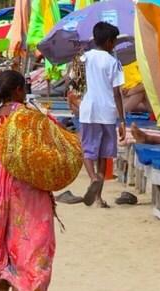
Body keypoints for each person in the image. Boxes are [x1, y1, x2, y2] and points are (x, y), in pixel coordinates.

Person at [0, 71, 58, 291]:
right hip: (31, 183)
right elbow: (56, 142)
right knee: (37, 239)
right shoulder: (33, 116)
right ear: (19, 91)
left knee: (8, 239)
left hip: (1, 184)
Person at [59, 22, 125, 208]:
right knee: (104, 155)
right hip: (108, 112)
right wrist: (122, 121)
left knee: (88, 150)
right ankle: (98, 198)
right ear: (109, 42)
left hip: (88, 110)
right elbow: (117, 93)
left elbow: (71, 85)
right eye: (115, 42)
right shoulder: (114, 62)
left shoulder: (82, 59)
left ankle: (93, 178)